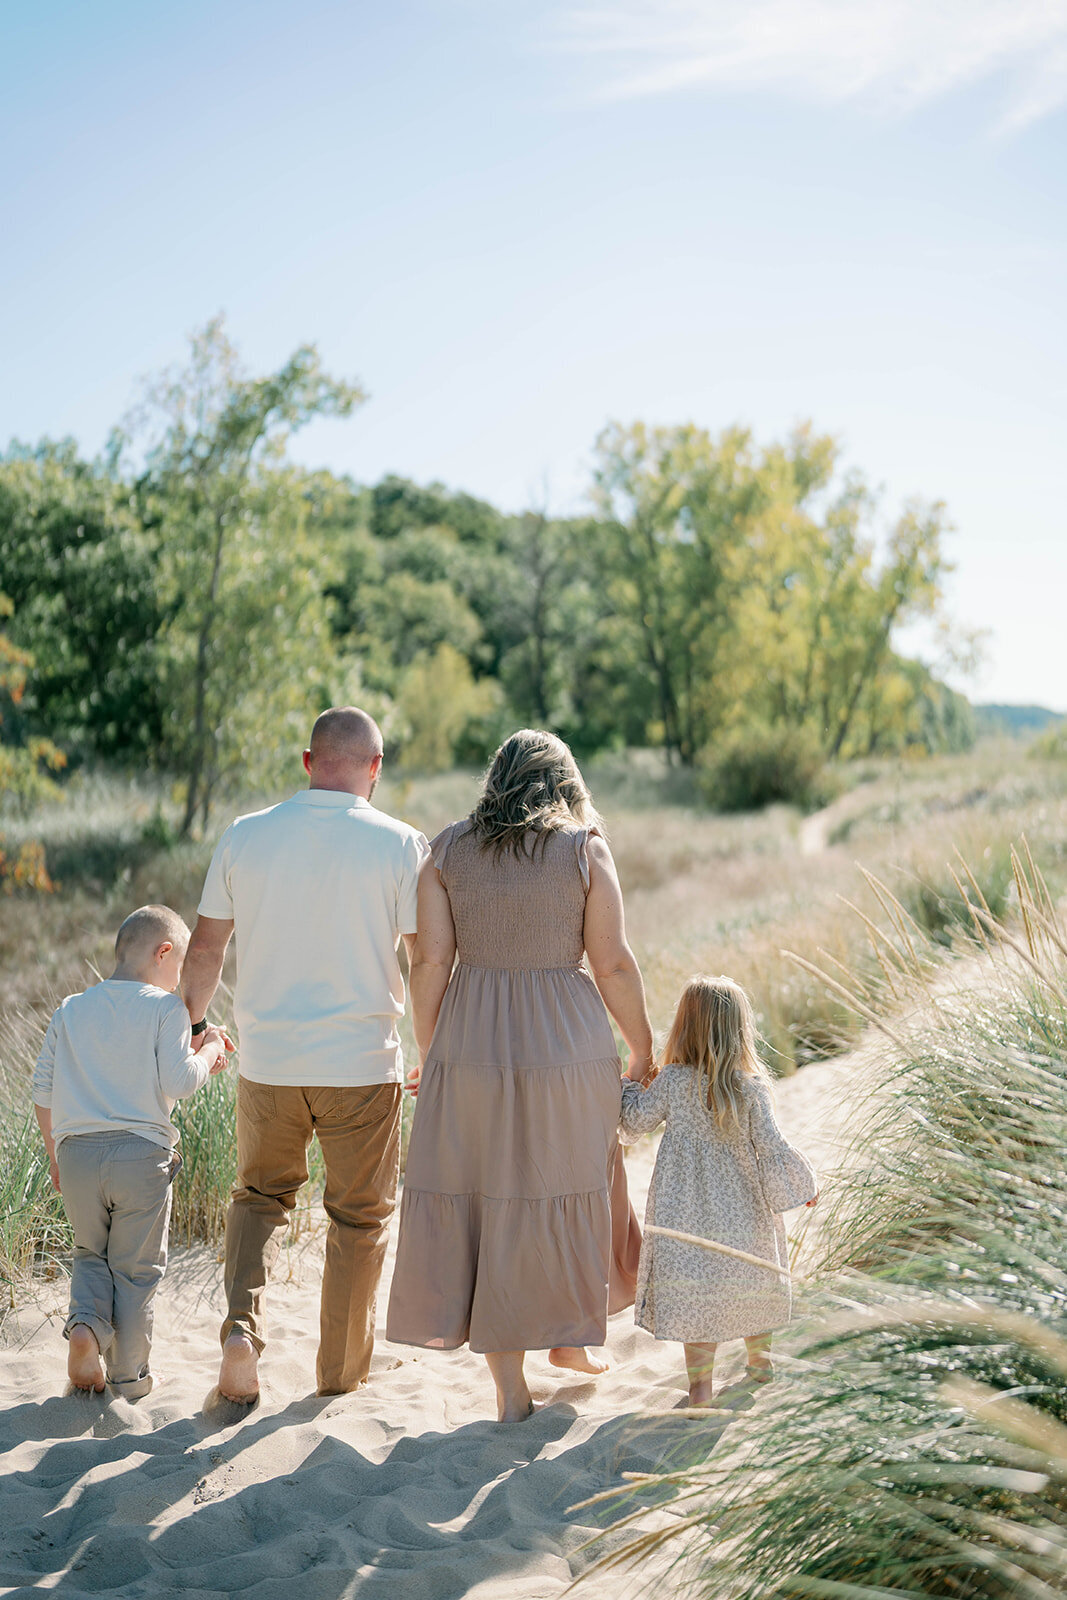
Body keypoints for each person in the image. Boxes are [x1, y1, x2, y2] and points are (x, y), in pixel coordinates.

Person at [387, 728, 652, 1423]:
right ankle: (566, 1335)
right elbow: (614, 963)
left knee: (486, 1197)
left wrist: (432, 1052)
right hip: (566, 1041)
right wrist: (643, 1049)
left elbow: (427, 964)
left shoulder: (445, 851)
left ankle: (512, 1382)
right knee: (566, 1187)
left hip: (469, 1036)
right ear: (562, 779)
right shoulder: (582, 848)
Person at [182, 707, 428, 1404]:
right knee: (359, 1218)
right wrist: (433, 1050)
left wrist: (196, 1024)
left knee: (259, 1200)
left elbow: (204, 949)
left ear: (306, 761)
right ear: (374, 769)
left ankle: (240, 1333)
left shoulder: (245, 835)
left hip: (267, 1062)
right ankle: (340, 1373)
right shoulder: (402, 844)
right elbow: (424, 958)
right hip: (361, 1064)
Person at [32, 905, 229, 1399]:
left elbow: (42, 1090)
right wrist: (208, 1053)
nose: (181, 982)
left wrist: (56, 1153)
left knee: (90, 1254)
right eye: (180, 968)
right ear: (164, 953)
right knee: (136, 1272)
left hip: (76, 1155)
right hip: (140, 1156)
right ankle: (130, 1378)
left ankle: (84, 1332)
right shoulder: (166, 1009)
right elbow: (180, 1082)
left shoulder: (70, 1008)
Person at [619, 974, 818, 1407]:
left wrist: (628, 1085)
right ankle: (760, 1363)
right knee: (752, 1277)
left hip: (683, 1209)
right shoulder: (752, 1088)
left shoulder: (672, 1081)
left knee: (696, 1293)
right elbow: (771, 1146)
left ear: (683, 1027)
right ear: (739, 1031)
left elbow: (632, 1125)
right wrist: (800, 1185)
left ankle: (701, 1388)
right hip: (744, 1209)